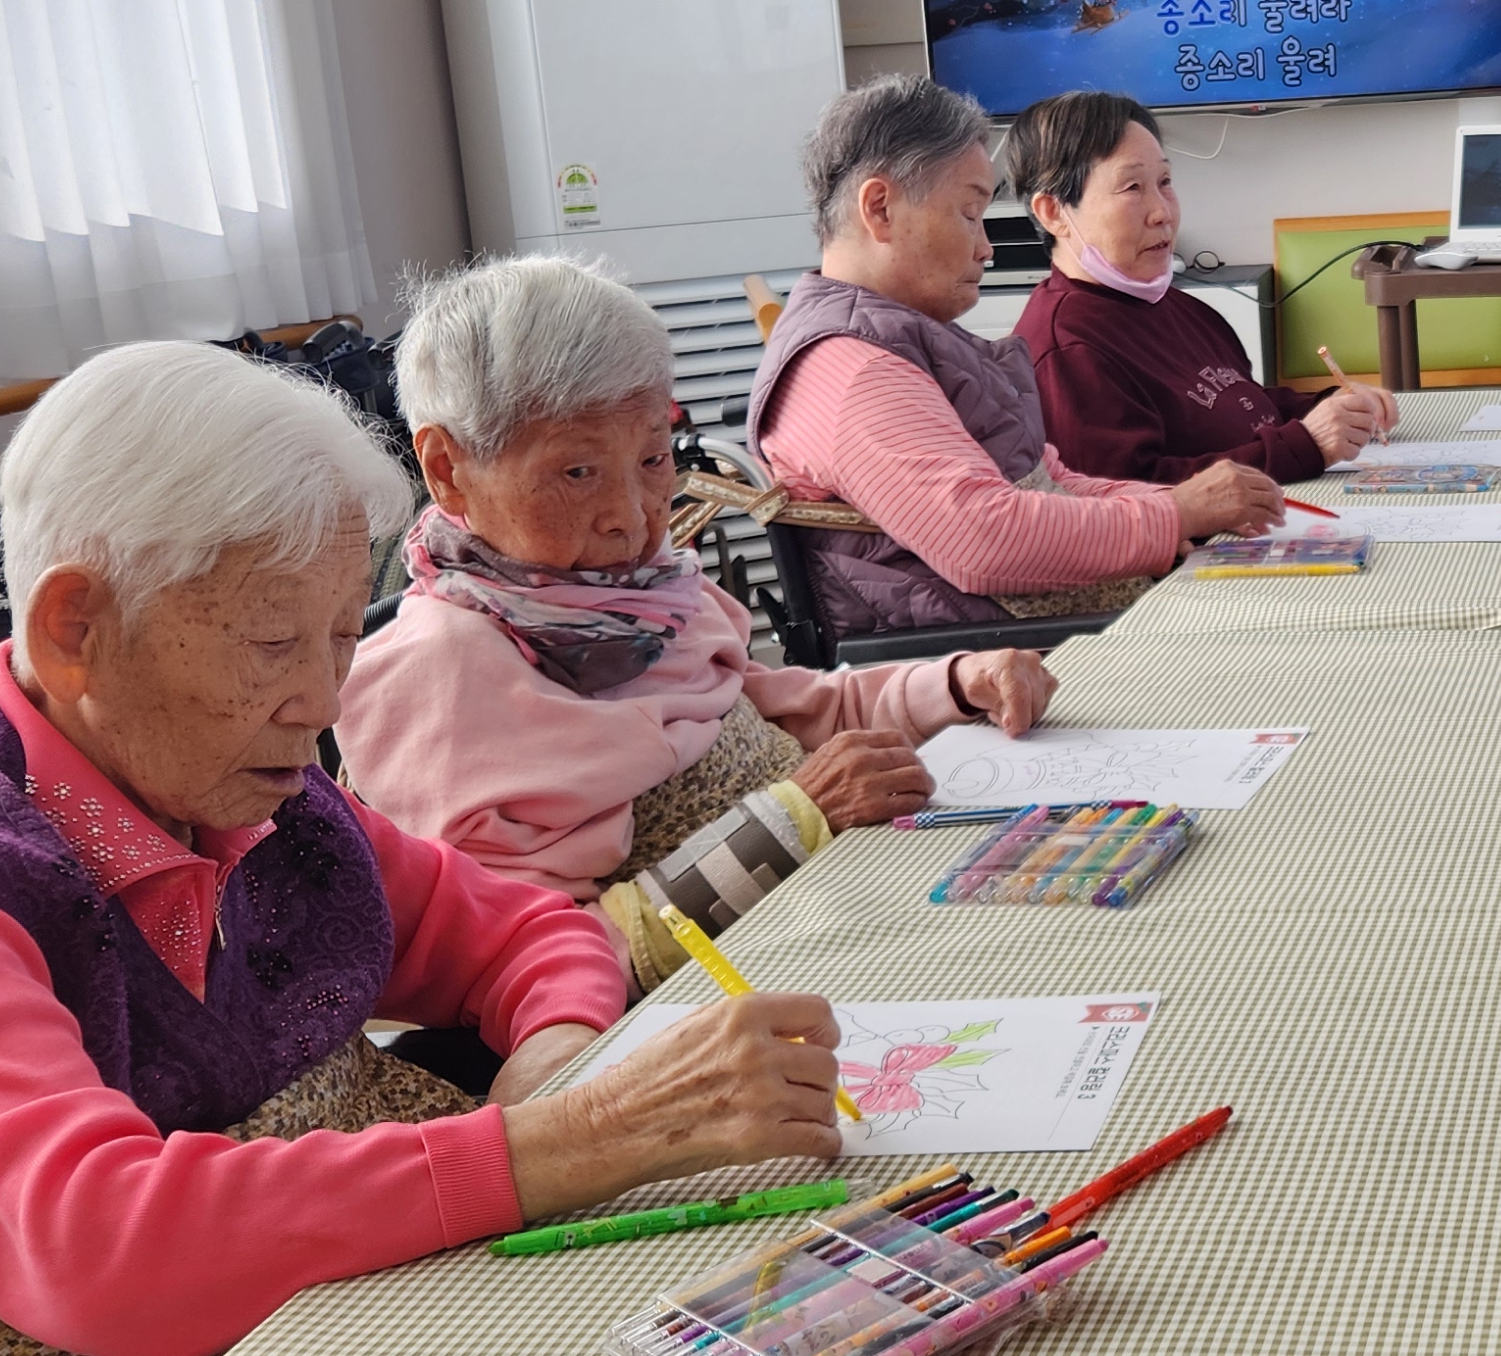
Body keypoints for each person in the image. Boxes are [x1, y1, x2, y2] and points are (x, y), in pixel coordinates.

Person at [0, 343, 852, 1356]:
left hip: (316, 1354)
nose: (324, 701)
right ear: (75, 629)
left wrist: (555, 1057)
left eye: (342, 635)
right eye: (275, 643)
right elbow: (100, 1248)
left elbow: (523, 934)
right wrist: (573, 1140)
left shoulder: (244, 796)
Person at [339, 255, 1058, 978]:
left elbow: (796, 712)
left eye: (654, 460)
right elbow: (535, 965)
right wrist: (792, 822)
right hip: (734, 1004)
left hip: (842, 911)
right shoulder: (439, 677)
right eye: (577, 472)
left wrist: (957, 684)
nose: (631, 518)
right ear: (447, 468)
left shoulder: (642, 596)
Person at [749, 74, 1286, 638]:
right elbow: (983, 540)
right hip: (1012, 658)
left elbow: (1049, 481)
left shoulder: (899, 341)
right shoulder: (854, 370)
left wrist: (1188, 504)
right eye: (968, 214)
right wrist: (1177, 514)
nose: (987, 247)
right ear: (880, 208)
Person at [1010, 91, 1395, 484]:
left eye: (1164, 181)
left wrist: (1327, 406)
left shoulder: (1178, 307)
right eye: (1132, 188)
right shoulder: (1066, 350)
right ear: (1053, 212)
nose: (1163, 212)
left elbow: (1240, 408)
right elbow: (1126, 494)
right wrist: (1304, 445)